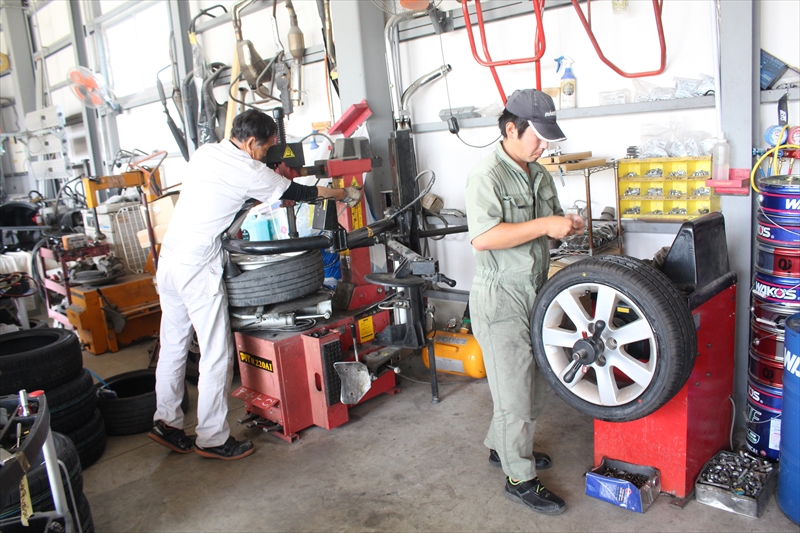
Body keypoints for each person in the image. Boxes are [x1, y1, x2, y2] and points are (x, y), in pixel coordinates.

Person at [149, 109, 361, 460]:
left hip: (169, 260)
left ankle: (166, 422)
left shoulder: (206, 152)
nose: (268, 155)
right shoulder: (248, 169)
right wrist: (342, 194)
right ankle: (212, 438)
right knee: (216, 353)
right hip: (197, 267)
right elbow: (298, 192)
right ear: (250, 143)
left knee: (173, 344)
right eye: (267, 148)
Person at [464, 89, 585, 514]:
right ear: (511, 129)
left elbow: (548, 224)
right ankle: (519, 477)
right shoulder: (487, 176)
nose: (544, 144)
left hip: (537, 290)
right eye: (538, 136)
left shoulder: (538, 172)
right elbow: (483, 238)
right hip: (501, 297)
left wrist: (565, 223)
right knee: (514, 396)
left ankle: (501, 446)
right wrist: (543, 225)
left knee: (532, 388)